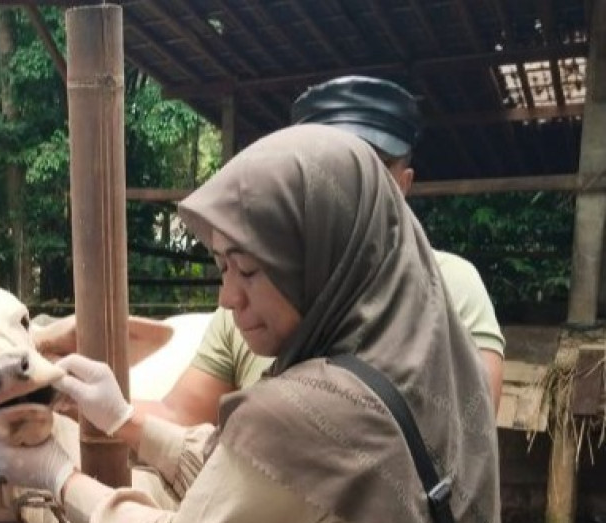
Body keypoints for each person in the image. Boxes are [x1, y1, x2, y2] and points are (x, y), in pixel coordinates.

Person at [0, 125, 505, 523]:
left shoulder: (308, 411)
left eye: (247, 270)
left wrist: (57, 474)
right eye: (223, 267)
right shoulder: (428, 371)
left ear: (319, 259)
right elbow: (267, 487)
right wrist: (126, 421)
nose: (227, 297)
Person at [150, 76, 506, 426]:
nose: (345, 188)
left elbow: (469, 436)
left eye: (370, 170)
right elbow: (180, 417)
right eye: (326, 172)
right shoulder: (247, 294)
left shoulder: (450, 285)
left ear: (404, 183)